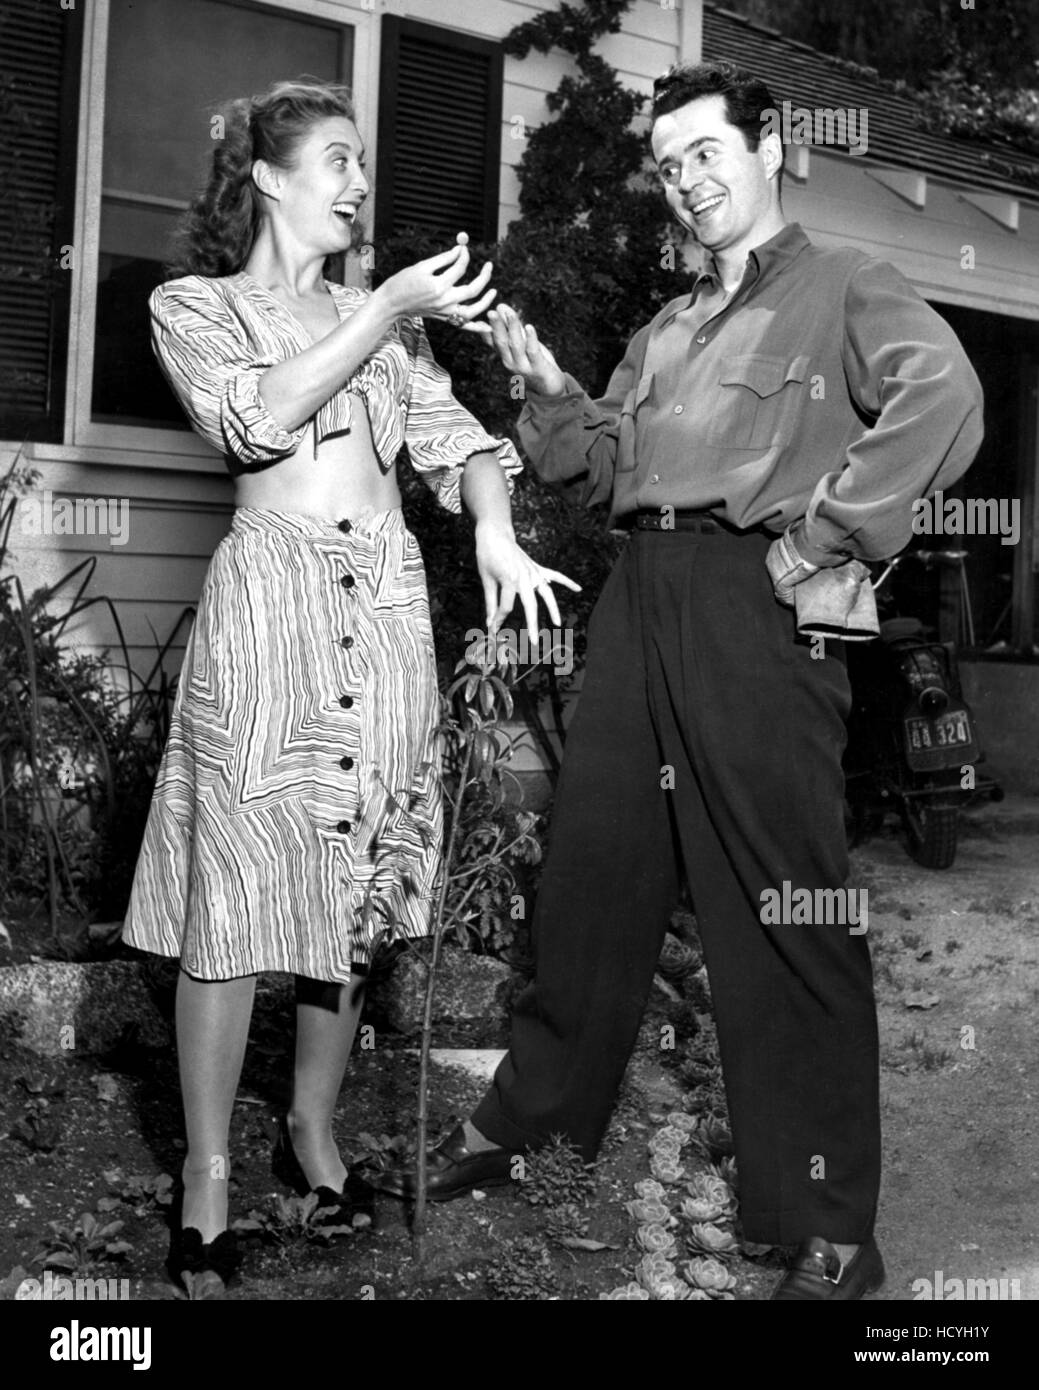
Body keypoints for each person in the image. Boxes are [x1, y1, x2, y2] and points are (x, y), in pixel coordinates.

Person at [371, 61, 984, 1302]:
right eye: (670, 166)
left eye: (707, 153)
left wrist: (823, 539)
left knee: (787, 912)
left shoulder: (844, 286)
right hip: (639, 605)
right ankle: (528, 1119)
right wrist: (547, 389)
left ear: (770, 147)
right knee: (591, 880)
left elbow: (946, 397)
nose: (687, 183)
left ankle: (824, 1228)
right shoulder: (666, 328)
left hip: (755, 612)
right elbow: (604, 467)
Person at [121, 78, 575, 1296]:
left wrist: (488, 527)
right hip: (269, 604)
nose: (359, 182)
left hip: (382, 612)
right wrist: (381, 307)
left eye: (363, 160)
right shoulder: (195, 305)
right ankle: (208, 1178)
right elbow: (252, 419)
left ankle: (313, 1135)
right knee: (237, 892)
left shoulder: (395, 330)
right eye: (336, 159)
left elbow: (465, 446)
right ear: (268, 178)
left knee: (358, 884)